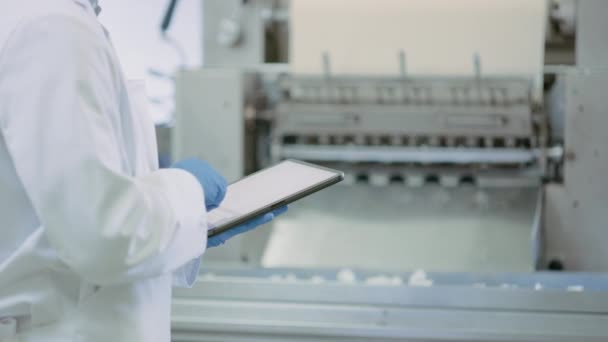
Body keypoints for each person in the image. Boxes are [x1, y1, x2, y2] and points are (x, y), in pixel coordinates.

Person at [0, 0, 285, 340]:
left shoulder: (50, 20)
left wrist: (189, 227)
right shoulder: (52, 27)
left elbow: (51, 222)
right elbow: (103, 235)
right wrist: (186, 190)